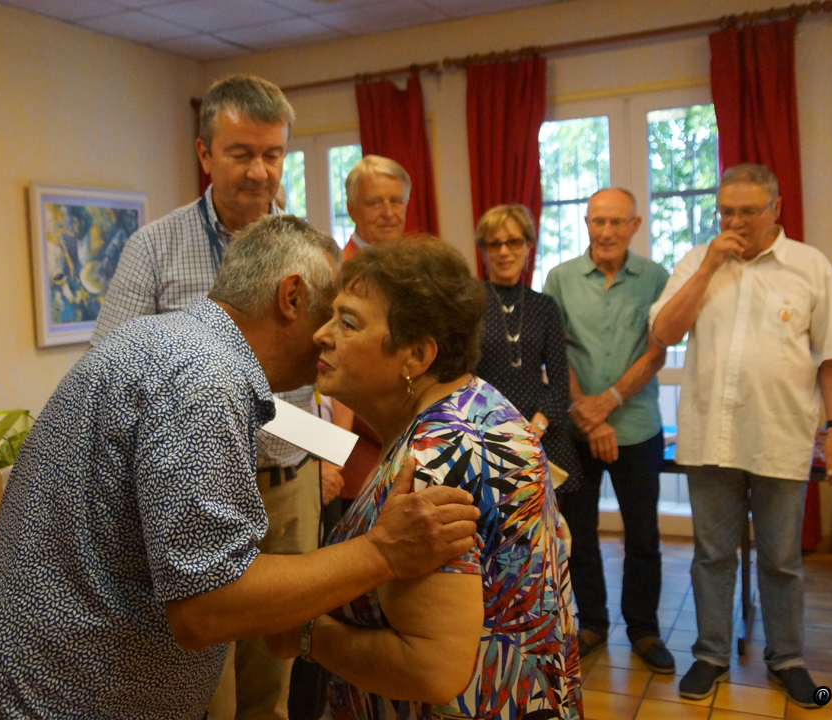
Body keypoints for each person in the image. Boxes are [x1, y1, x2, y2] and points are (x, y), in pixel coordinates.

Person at [0, 217, 481, 720]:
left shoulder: (167, 341)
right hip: (49, 699)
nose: (328, 336)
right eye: (329, 313)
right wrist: (381, 552)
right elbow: (206, 607)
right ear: (290, 297)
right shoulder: (204, 380)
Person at [273, 239, 582, 720]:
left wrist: (306, 632)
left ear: (416, 356)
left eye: (348, 322)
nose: (321, 335)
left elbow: (431, 671)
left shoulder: (439, 459)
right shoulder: (475, 402)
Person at [90, 74, 319, 720]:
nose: (258, 171)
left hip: (288, 487)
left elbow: (326, 364)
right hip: (197, 496)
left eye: (271, 154)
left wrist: (329, 458)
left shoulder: (307, 248)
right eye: (240, 153)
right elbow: (112, 370)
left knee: (272, 684)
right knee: (205, 690)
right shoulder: (154, 250)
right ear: (204, 155)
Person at [649, 164, 832, 708]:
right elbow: (664, 332)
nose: (735, 221)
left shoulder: (810, 267)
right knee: (712, 554)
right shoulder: (698, 260)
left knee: (781, 558)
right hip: (709, 438)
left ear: (776, 209)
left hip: (780, 436)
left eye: (748, 211)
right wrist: (710, 264)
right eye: (727, 212)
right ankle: (711, 653)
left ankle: (787, 657)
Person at [542, 188, 674, 673]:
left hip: (637, 429)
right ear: (586, 222)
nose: (607, 232)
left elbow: (657, 350)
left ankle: (643, 628)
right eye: (599, 221)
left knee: (643, 534)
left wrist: (608, 404)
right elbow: (554, 351)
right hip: (576, 432)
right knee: (580, 533)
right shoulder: (560, 278)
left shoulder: (658, 278)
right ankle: (592, 622)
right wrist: (583, 410)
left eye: (618, 222)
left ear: (636, 225)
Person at [322, 156, 413, 519]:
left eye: (396, 201)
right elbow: (336, 366)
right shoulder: (336, 273)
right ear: (351, 208)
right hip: (356, 458)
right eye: (375, 202)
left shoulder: (413, 272)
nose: (388, 212)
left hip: (410, 444)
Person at [473, 204, 583, 498]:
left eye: (513, 242)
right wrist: (498, 431)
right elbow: (460, 377)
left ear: (528, 246)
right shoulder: (469, 305)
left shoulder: (544, 306)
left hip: (543, 431)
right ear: (484, 250)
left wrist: (536, 428)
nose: (504, 251)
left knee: (562, 530)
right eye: (494, 244)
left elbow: (560, 380)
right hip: (486, 433)